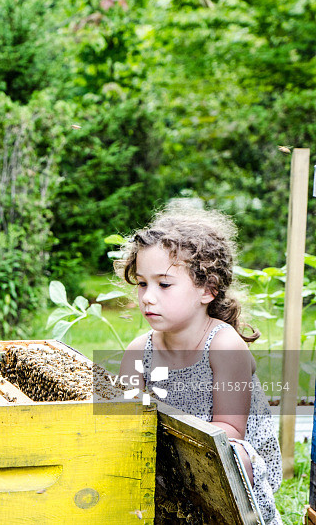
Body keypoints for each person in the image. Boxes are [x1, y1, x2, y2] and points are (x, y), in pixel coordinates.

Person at [116, 206, 282, 525]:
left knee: (236, 454)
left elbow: (229, 432)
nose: (148, 297)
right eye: (141, 284)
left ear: (207, 289)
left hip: (221, 460)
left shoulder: (223, 345)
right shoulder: (139, 351)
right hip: (166, 459)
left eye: (164, 285)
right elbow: (121, 419)